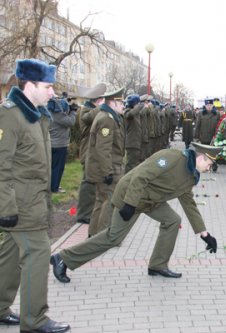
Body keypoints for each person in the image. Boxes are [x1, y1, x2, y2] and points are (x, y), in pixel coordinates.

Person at [50, 143, 221, 283]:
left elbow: (189, 203)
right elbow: (140, 176)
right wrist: (129, 204)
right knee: (113, 237)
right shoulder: (172, 157)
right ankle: (64, 258)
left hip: (150, 202)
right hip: (130, 196)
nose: (210, 167)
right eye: (209, 163)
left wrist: (204, 234)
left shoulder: (191, 176)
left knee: (172, 220)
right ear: (200, 157)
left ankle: (158, 265)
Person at [0, 59, 70, 333]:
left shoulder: (36, 114)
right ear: (29, 85)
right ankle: (34, 320)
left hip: (32, 201)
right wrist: (6, 207)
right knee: (38, 253)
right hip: (21, 205)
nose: (52, 92)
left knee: (9, 255)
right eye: (48, 86)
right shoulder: (10, 114)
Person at [86, 88, 125, 236]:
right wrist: (107, 172)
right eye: (121, 102)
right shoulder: (107, 119)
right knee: (109, 202)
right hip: (108, 169)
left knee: (100, 200)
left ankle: (93, 234)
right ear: (113, 103)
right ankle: (102, 237)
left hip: (107, 167)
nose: (123, 105)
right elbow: (103, 149)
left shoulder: (109, 117)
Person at [76, 83, 107, 224]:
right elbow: (87, 119)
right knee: (88, 183)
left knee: (93, 183)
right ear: (97, 100)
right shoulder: (85, 110)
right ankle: (83, 214)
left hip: (93, 151)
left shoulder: (92, 110)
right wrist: (102, 106)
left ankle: (90, 211)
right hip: (87, 151)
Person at [47, 94, 77, 193]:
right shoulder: (58, 115)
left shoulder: (51, 112)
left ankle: (51, 185)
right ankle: (54, 188)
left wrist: (67, 101)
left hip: (52, 144)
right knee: (58, 168)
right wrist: (73, 111)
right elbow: (70, 122)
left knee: (52, 167)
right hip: (59, 145)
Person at [124, 94, 144, 173]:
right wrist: (139, 106)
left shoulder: (136, 113)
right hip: (132, 143)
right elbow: (130, 114)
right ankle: (126, 181)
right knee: (131, 165)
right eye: (137, 103)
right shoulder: (127, 112)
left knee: (135, 163)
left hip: (136, 142)